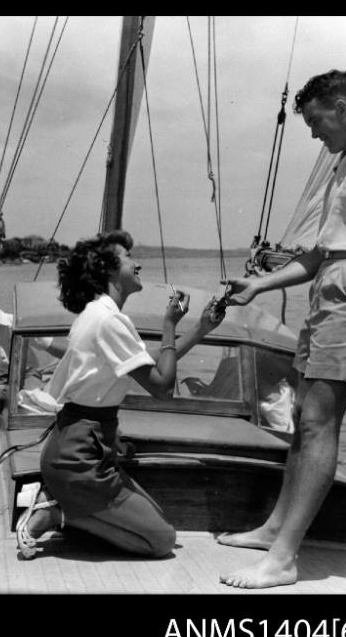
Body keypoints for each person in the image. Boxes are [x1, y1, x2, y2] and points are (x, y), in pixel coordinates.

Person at [217, 69, 346, 589]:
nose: (315, 135)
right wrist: (260, 285)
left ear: (342, 107)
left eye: (317, 122)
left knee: (320, 418)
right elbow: (320, 252)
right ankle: (275, 528)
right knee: (302, 413)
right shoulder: (343, 164)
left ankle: (284, 558)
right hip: (329, 284)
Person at [16, 230, 226, 560]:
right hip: (79, 458)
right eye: (128, 257)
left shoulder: (96, 315)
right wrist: (169, 324)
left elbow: (153, 363)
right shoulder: (110, 321)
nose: (137, 262)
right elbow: (162, 389)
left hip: (81, 450)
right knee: (161, 541)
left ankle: (62, 503)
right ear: (108, 268)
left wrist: (200, 328)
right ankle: (57, 513)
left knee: (154, 518)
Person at [0, 282, 63, 412]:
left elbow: (50, 346)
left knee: (42, 398)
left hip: (27, 375)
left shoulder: (17, 323)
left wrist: (81, 355)